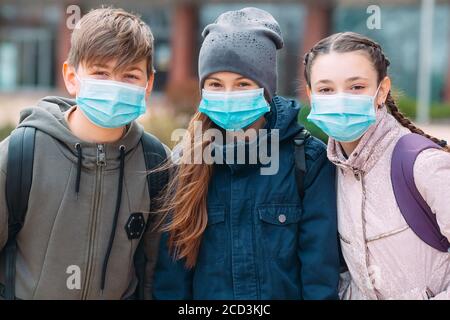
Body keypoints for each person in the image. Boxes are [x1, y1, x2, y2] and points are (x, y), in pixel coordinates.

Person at [152, 7, 340, 300]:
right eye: (215, 84)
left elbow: (319, 277)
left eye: (242, 84)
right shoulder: (184, 163)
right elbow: (171, 281)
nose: (228, 95)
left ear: (265, 89)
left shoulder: (308, 161)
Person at [0, 7, 168, 299]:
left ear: (149, 84)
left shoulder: (157, 165)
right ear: (71, 76)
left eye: (129, 76)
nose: (114, 87)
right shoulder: (19, 155)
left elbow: (157, 273)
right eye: (100, 73)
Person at [303, 31, 450, 300]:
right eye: (326, 89)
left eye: (356, 87)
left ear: (381, 91)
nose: (340, 99)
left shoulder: (423, 164)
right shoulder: (327, 169)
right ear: (311, 96)